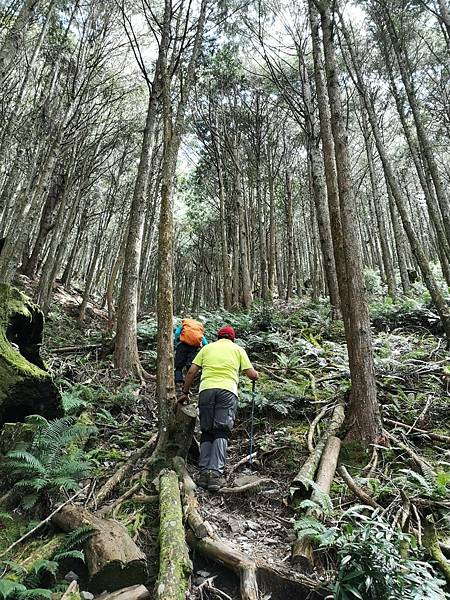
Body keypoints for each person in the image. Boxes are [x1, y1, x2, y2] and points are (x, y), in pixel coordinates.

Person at [180, 325, 258, 492]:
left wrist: (185, 392)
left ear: (218, 336)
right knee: (221, 430)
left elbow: (191, 371)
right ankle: (215, 474)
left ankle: (203, 473)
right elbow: (251, 374)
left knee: (207, 430)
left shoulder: (207, 348)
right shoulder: (237, 349)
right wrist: (256, 375)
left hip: (206, 390)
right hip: (227, 391)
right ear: (232, 338)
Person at [174, 318, 208, 388]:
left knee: (178, 366)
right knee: (190, 367)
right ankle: (188, 384)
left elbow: (177, 333)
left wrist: (177, 341)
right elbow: (204, 342)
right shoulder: (198, 330)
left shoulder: (184, 326)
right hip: (194, 348)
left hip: (182, 346)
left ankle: (178, 381)